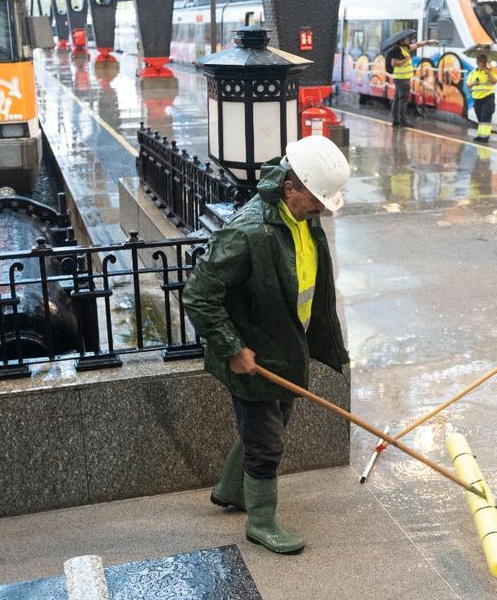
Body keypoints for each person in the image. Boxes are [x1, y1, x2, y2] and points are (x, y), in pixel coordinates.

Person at [184, 136, 351, 555]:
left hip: (286, 348)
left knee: (267, 428)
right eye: (317, 199)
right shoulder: (248, 231)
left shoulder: (301, 218)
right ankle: (261, 522)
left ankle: (230, 489)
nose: (322, 210)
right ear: (290, 186)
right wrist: (231, 348)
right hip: (252, 356)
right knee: (268, 443)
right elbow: (198, 294)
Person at [387, 34, 436, 128]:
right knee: (402, 101)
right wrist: (405, 59)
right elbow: (394, 63)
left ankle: (396, 121)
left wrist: (427, 42)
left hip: (402, 79)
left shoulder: (404, 49)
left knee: (397, 99)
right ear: (401, 41)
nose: (409, 40)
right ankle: (402, 121)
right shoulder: (397, 50)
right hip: (402, 79)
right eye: (406, 39)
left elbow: (417, 45)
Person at [466, 53, 497, 142]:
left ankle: (485, 137)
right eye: (481, 62)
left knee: (485, 117)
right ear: (477, 63)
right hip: (477, 98)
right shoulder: (473, 72)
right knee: (480, 117)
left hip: (488, 97)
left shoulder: (490, 71)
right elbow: (468, 84)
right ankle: (480, 135)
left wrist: (489, 74)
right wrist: (473, 83)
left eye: (485, 62)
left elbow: (494, 82)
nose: (483, 64)